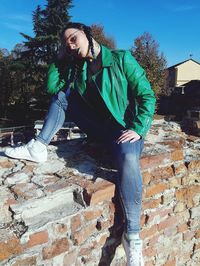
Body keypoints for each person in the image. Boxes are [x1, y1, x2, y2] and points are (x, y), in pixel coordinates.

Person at [5, 22, 156, 266]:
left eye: (73, 39)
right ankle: (39, 146)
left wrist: (138, 128)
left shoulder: (121, 59)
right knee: (63, 96)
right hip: (98, 130)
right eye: (66, 44)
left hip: (123, 129)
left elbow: (147, 95)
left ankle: (133, 237)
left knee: (129, 160)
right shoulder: (77, 69)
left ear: (88, 34)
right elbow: (52, 89)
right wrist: (59, 58)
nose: (71, 46)